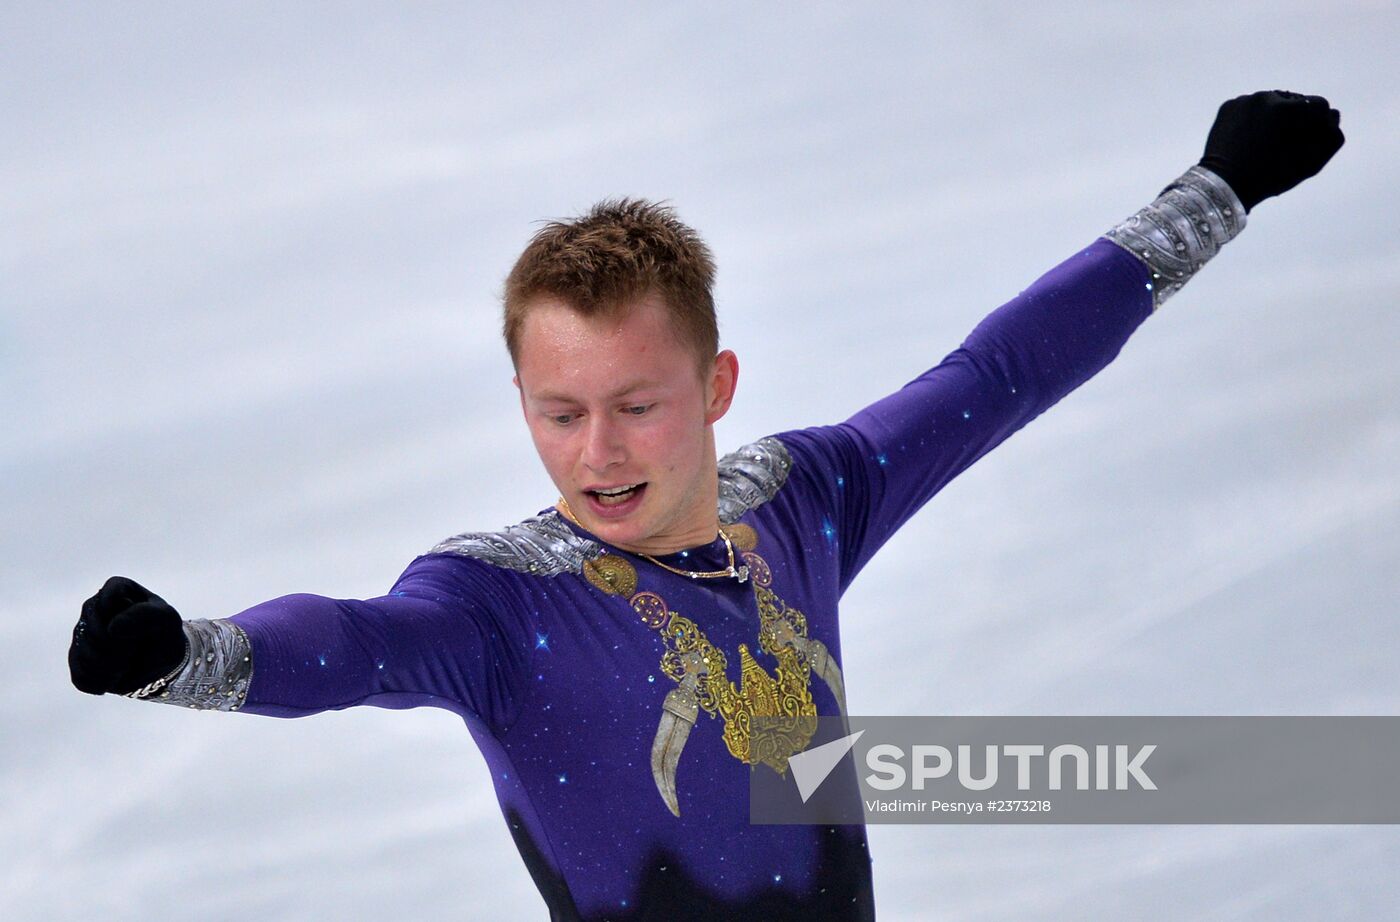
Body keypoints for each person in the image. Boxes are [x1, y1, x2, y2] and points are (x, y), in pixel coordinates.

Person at [69, 90, 1344, 921]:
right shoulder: (501, 605)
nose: (598, 453)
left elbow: (998, 374)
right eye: (557, 412)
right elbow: (348, 642)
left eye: (637, 404)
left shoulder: (802, 500)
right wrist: (190, 656)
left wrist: (1213, 193)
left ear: (716, 381)